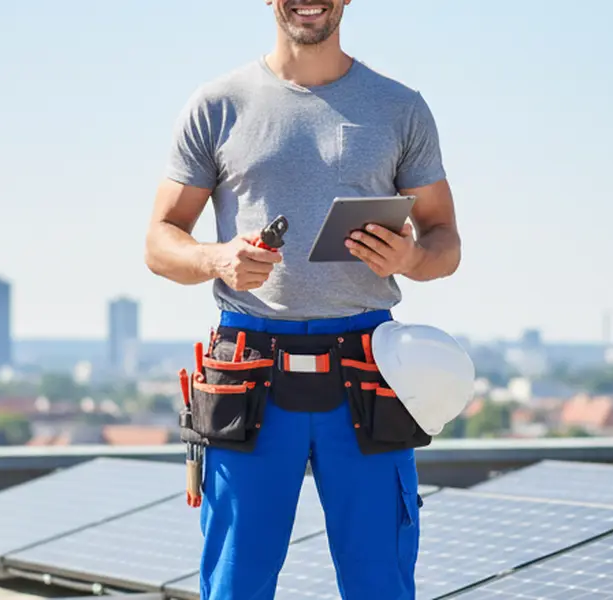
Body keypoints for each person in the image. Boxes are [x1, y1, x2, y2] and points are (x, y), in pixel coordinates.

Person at [143, 1, 461, 598]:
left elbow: (445, 242)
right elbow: (159, 243)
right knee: (235, 585)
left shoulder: (400, 107)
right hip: (250, 370)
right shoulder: (217, 105)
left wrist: (410, 258)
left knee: (381, 586)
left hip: (370, 371)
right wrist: (218, 259)